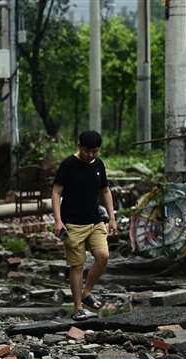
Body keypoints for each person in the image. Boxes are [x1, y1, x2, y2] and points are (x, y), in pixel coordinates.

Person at [52, 130, 117, 321]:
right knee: (77, 266)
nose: (90, 155)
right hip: (73, 224)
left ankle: (87, 291)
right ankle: (78, 308)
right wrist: (58, 220)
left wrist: (112, 217)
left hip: (95, 220)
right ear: (79, 146)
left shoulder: (98, 164)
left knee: (103, 256)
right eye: (87, 151)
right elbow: (56, 193)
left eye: (94, 151)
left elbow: (105, 191)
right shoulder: (68, 165)